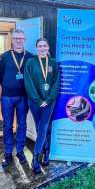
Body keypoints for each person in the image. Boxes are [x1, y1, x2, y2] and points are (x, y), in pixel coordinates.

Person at [0, 29, 34, 168]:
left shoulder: (30, 57)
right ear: (12, 40)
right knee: (7, 125)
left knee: (22, 125)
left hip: (24, 97)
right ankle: (7, 152)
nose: (18, 41)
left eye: (21, 38)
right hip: (7, 96)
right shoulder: (4, 57)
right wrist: (4, 86)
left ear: (24, 40)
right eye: (16, 38)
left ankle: (20, 151)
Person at [24, 38, 60, 174]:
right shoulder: (31, 62)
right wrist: (39, 100)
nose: (42, 48)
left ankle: (35, 157)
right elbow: (28, 82)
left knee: (43, 127)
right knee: (40, 128)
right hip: (34, 101)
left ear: (48, 47)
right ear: (36, 48)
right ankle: (46, 150)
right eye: (40, 46)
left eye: (45, 45)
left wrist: (49, 98)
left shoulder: (53, 63)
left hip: (49, 102)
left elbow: (57, 82)